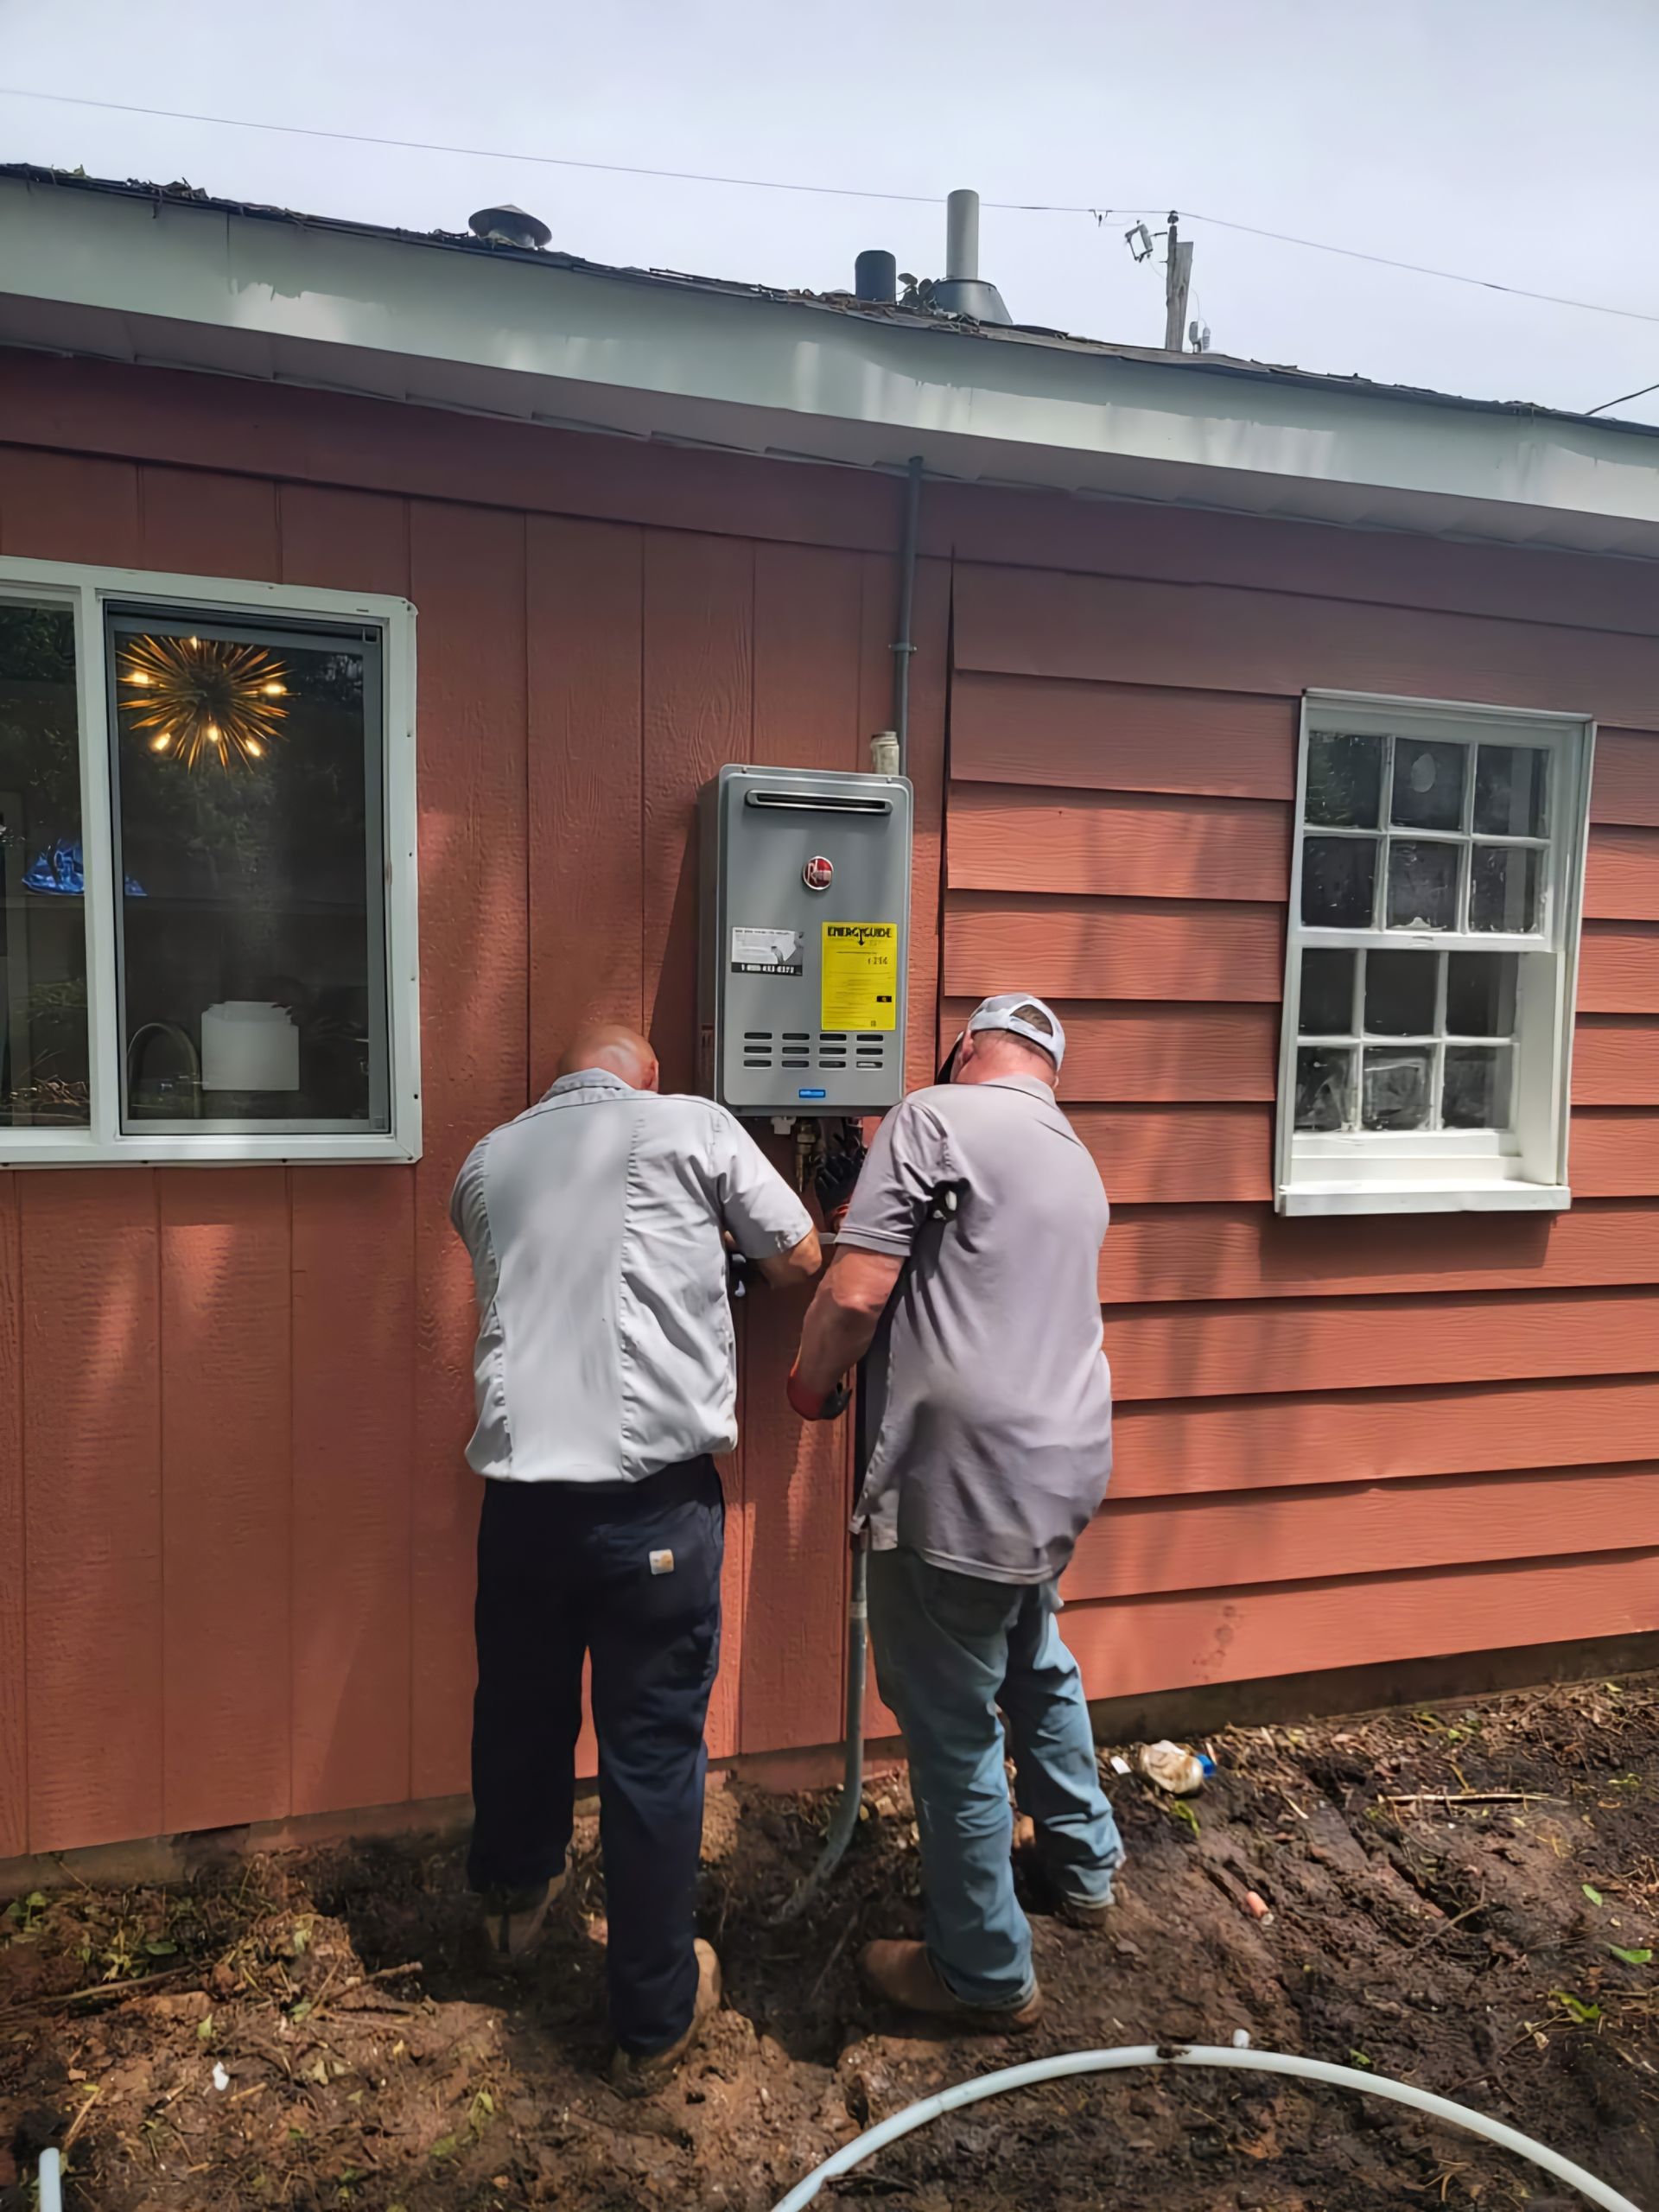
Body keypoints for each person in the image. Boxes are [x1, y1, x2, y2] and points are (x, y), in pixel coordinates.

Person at [450, 1024, 820, 2084]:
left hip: (519, 1510)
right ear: (645, 1074)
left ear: (564, 1075)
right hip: (651, 1513)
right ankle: (653, 2016)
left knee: (518, 1712)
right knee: (651, 1754)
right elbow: (798, 1256)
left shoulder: (488, 1156)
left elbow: (514, 1278)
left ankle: (512, 1918)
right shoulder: (692, 1125)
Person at [787, 993, 1122, 2028]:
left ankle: (981, 1972)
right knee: (1033, 1653)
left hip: (959, 1478)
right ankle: (1086, 1866)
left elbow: (852, 1297)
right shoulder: (1073, 1155)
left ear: (969, 1047)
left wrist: (809, 1385)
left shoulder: (933, 1117)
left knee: (949, 1722)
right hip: (1058, 1464)